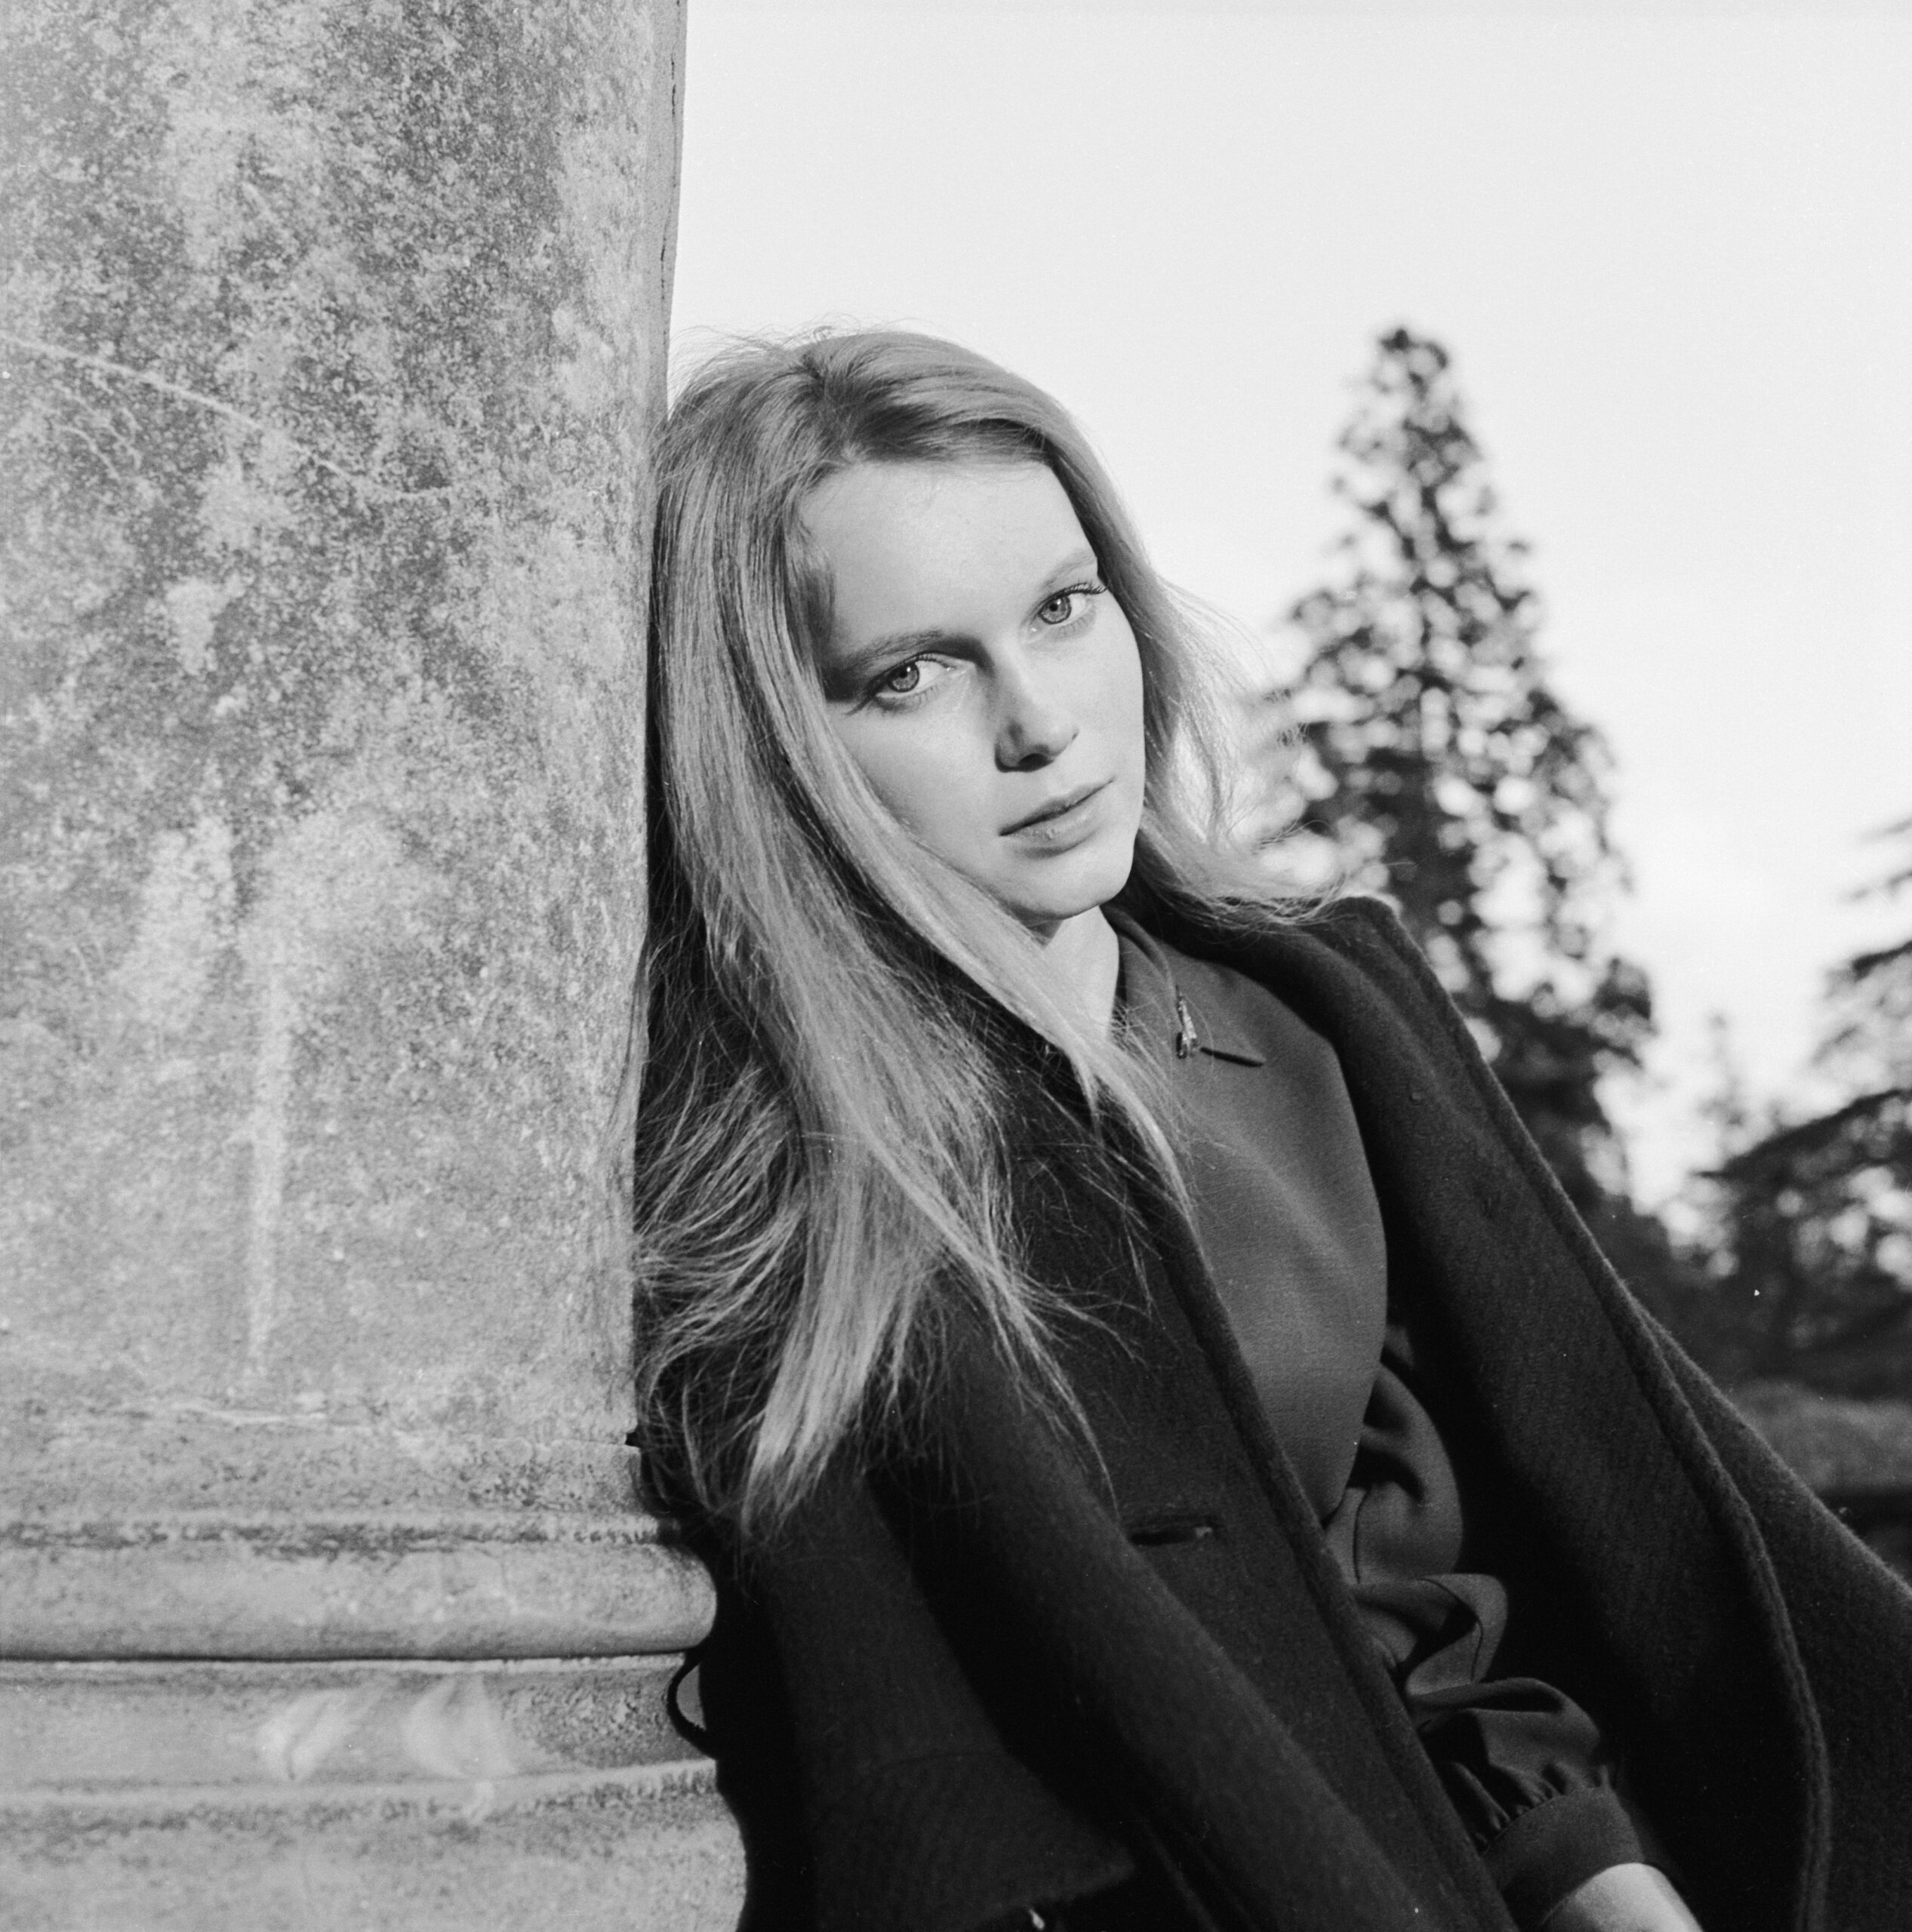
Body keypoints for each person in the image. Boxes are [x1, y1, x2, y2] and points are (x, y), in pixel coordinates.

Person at [629, 328, 1912, 1932]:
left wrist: (1612, 1898)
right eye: (909, 673)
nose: (1040, 723)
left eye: (1062, 606)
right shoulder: (753, 1146)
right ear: (771, 736)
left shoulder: (1308, 1028)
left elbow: (1417, 1608)